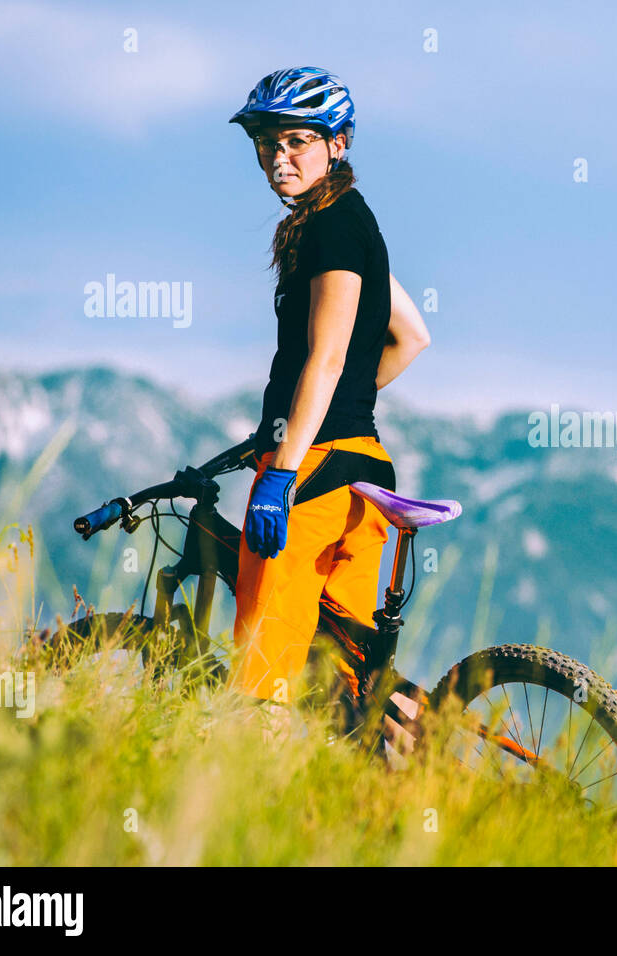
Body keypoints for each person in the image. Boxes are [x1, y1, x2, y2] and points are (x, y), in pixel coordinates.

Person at [227, 67, 430, 711]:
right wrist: (338, 409)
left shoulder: (332, 227)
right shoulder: (357, 223)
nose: (278, 157)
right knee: (339, 681)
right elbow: (413, 336)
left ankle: (246, 796)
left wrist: (282, 472)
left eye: (296, 141)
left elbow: (328, 356)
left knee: (263, 678)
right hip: (364, 469)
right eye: (267, 143)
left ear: (336, 144)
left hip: (311, 474)